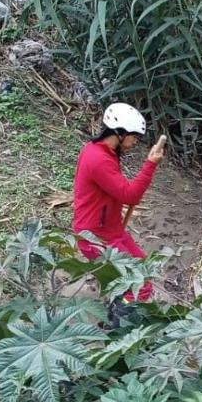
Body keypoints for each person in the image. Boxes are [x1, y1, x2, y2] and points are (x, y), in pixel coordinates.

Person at [72, 102, 166, 323]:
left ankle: (117, 303)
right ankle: (119, 326)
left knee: (143, 272)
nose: (135, 142)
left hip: (110, 230)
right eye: (134, 137)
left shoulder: (100, 151)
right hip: (96, 237)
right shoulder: (99, 159)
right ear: (120, 133)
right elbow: (129, 195)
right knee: (140, 283)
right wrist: (150, 164)